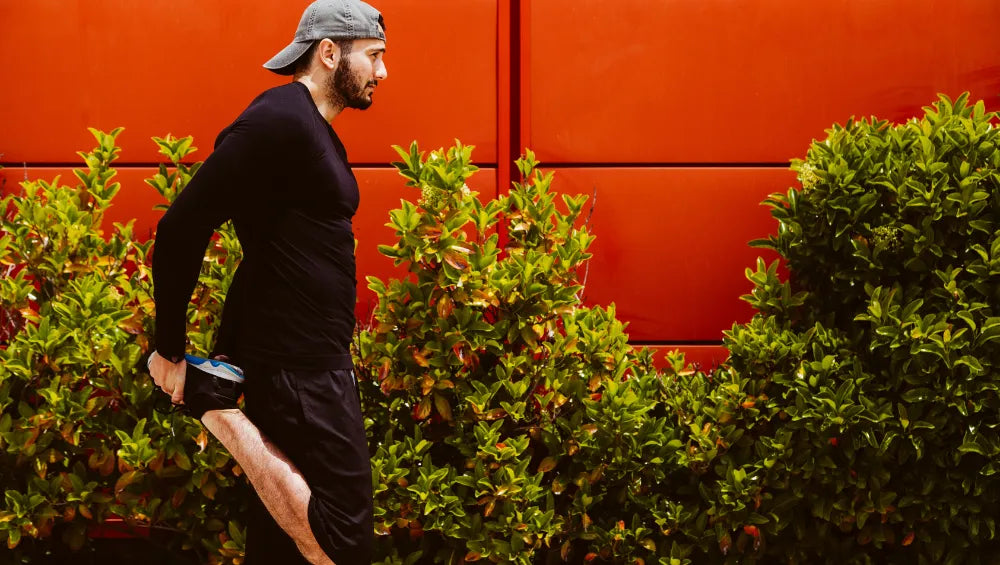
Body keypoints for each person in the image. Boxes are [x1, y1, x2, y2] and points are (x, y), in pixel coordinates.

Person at [146, 1, 388, 563]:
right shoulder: (279, 117)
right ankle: (216, 407)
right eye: (373, 56)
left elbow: (269, 247)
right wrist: (170, 350)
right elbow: (182, 225)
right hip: (298, 365)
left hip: (308, 358)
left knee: (282, 546)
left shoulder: (312, 130)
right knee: (342, 542)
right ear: (330, 53)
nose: (382, 72)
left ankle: (217, 397)